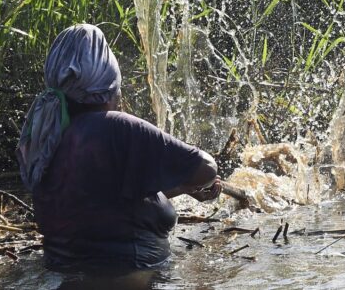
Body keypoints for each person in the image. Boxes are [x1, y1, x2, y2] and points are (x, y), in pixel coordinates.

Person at [17, 23, 220, 271]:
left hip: (65, 274)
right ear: (108, 82)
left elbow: (103, 205)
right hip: (133, 277)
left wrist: (183, 187)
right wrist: (193, 177)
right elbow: (207, 169)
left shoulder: (47, 135)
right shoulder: (116, 126)